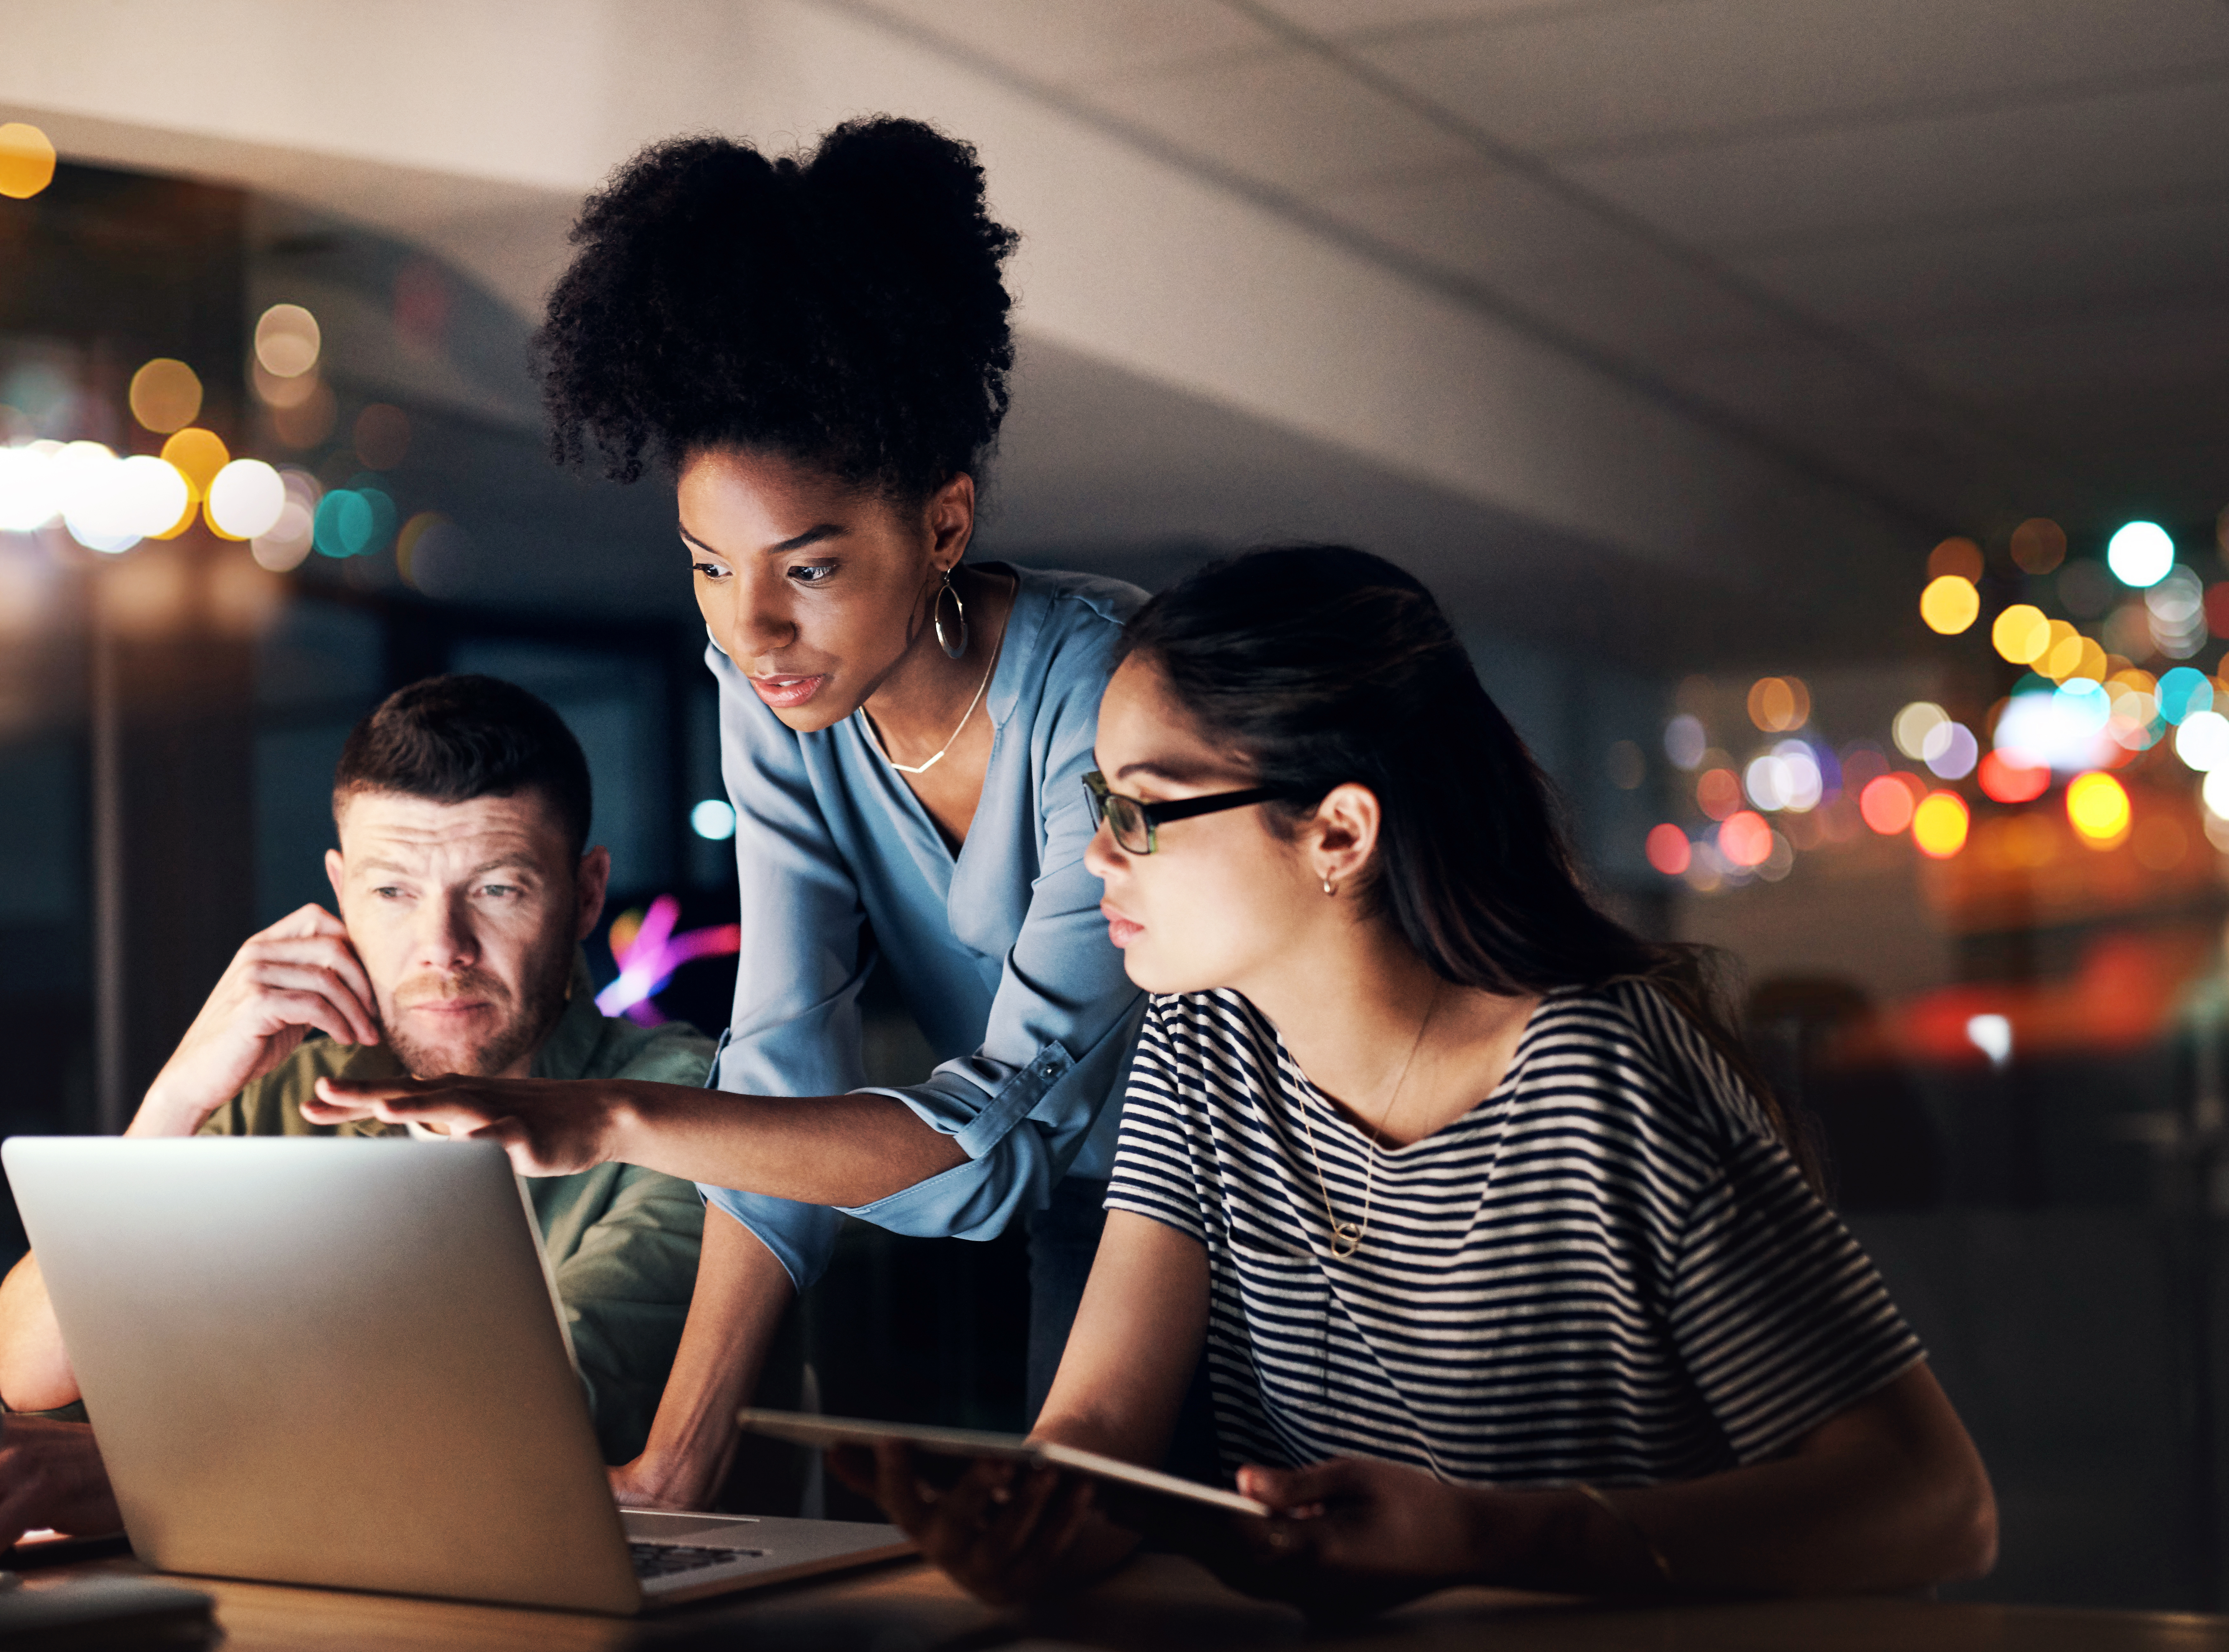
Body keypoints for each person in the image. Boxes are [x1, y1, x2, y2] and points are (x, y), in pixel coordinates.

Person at [830, 547, 1999, 1612]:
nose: (1096, 854)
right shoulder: (1201, 1046)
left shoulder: (1608, 1073)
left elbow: (1937, 1504)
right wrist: (1025, 1523)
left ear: (1338, 832)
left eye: (1142, 811)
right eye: (1101, 804)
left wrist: (1490, 1537)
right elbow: (1097, 1439)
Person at [306, 118, 1146, 1509]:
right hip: (1080, 1230)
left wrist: (616, 1117)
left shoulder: (1105, 693)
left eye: (807, 567)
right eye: (707, 566)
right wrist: (675, 1463)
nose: (751, 627)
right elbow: (776, 1063)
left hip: (1256, 1213)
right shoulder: (779, 696)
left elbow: (985, 1142)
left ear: (943, 524)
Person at [0, 675, 713, 1542]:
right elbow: (31, 1367)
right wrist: (179, 1094)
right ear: (340, 890)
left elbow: (541, 1415)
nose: (441, 948)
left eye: (497, 889)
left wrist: (139, 1474)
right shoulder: (298, 1091)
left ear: (587, 892)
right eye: (393, 892)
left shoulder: (686, 1105)